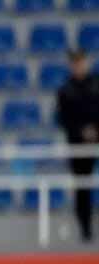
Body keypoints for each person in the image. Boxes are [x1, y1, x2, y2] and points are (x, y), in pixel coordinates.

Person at [56, 49, 99, 242]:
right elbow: (63, 119)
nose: (79, 66)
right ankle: (85, 229)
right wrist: (82, 131)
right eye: (75, 63)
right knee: (82, 187)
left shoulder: (97, 84)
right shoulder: (65, 90)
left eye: (81, 62)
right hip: (77, 144)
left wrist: (95, 129)